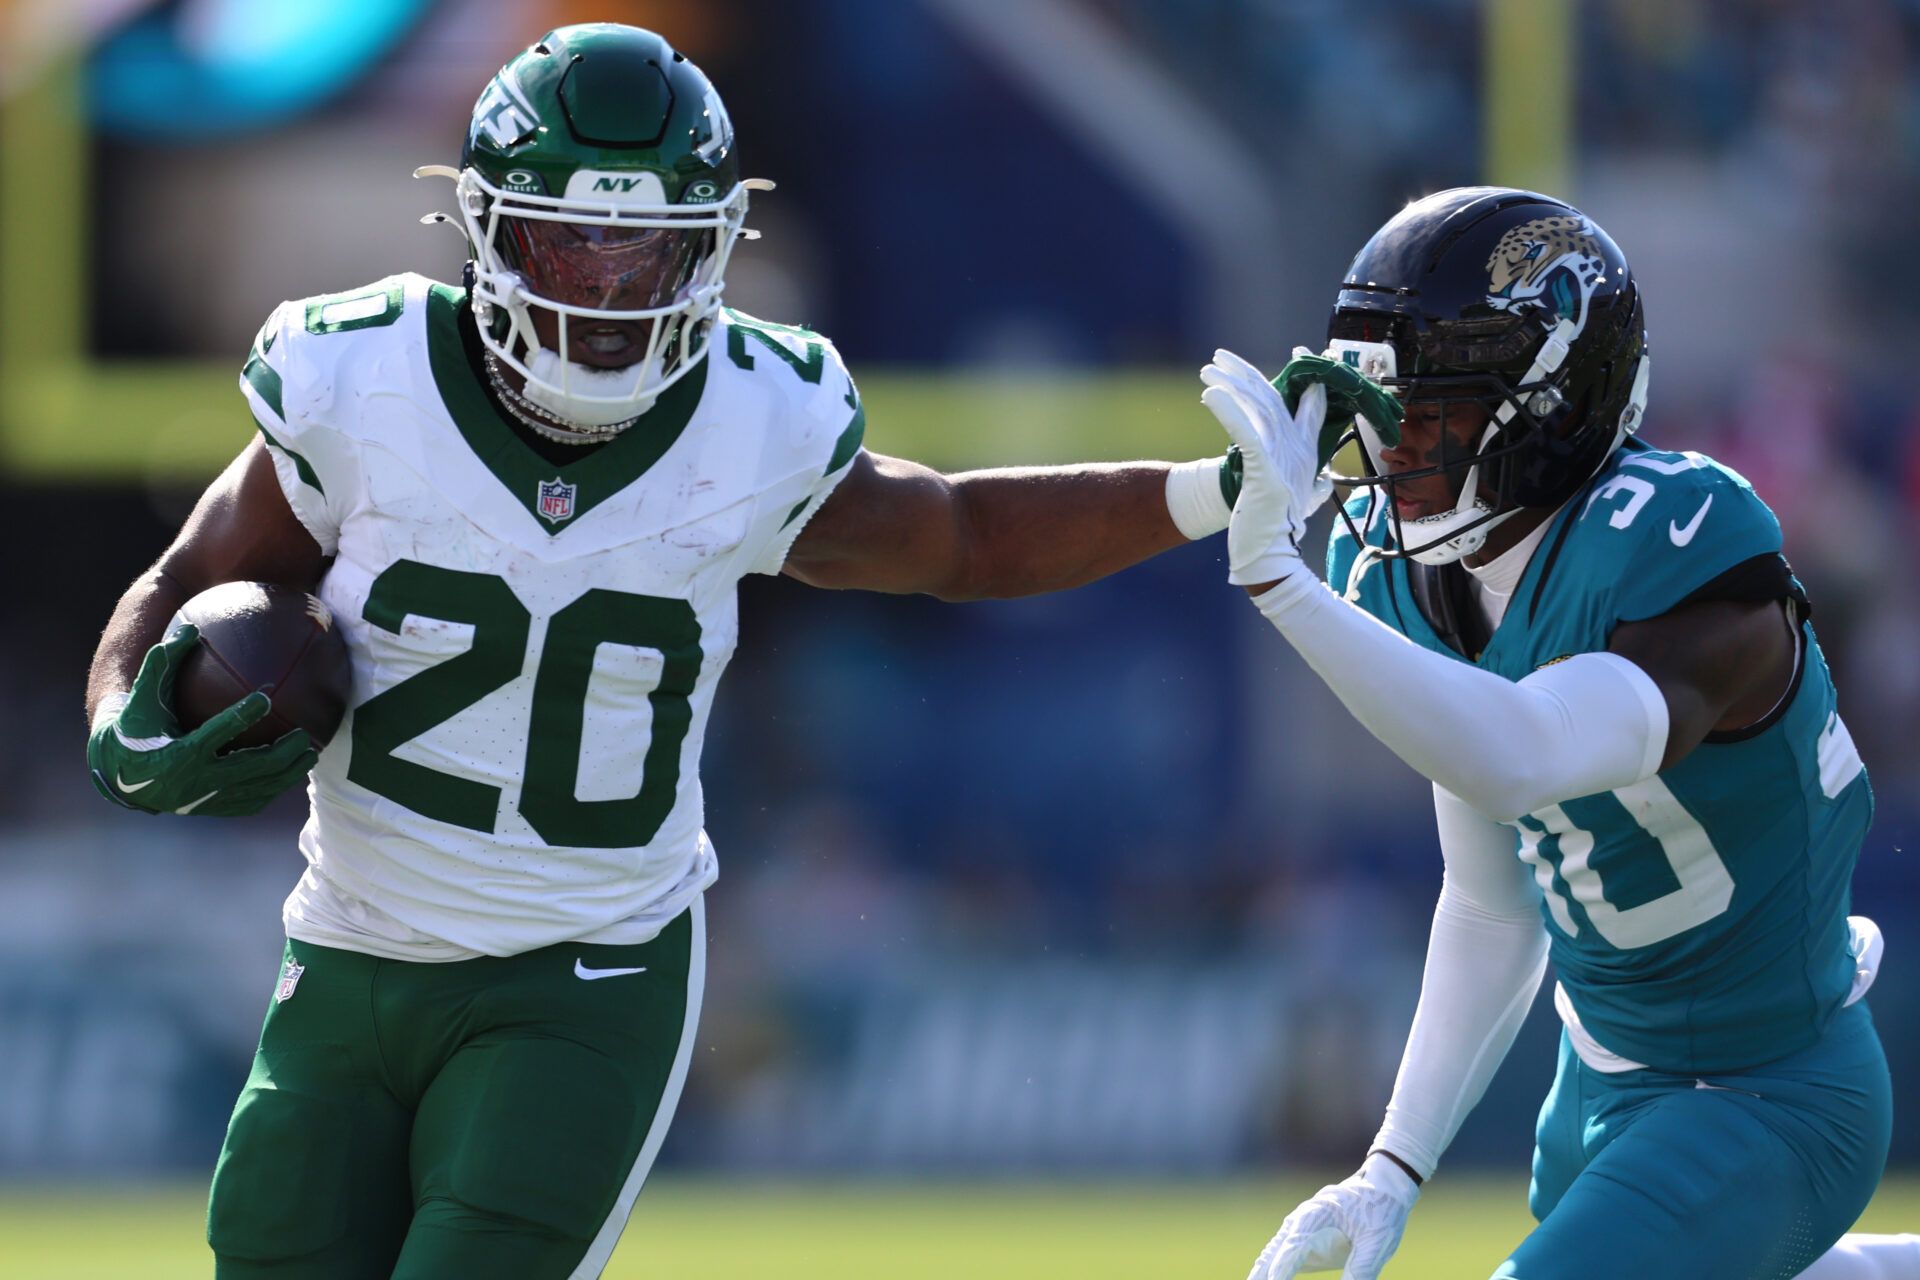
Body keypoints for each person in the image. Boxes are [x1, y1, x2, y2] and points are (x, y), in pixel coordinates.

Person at [81, 24, 1243, 1280]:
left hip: (581, 977)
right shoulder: (362, 379)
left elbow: (959, 533)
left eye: (646, 252)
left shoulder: (754, 420)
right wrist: (123, 723)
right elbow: (190, 581)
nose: (601, 288)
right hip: (349, 950)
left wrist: (1212, 488)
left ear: (713, 251)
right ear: (483, 230)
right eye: (565, 239)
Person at [1207, 187, 1915, 1280]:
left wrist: (1277, 580)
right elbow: (1494, 892)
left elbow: (1525, 747)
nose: (1394, 451)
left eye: (1429, 413)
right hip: (1596, 1089)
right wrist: (1393, 1164)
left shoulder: (1682, 554)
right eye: (1385, 414)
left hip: (1769, 1088)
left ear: (1546, 406)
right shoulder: (1422, 581)